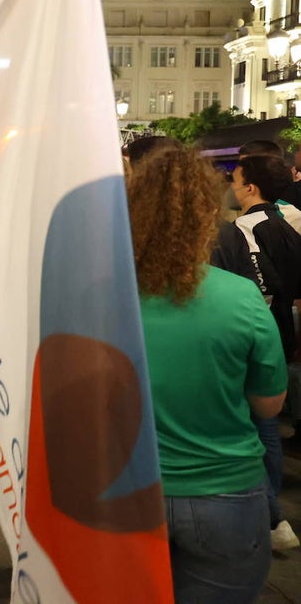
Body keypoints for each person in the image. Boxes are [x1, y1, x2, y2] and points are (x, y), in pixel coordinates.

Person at [127, 143, 285, 603]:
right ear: (207, 216)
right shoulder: (240, 297)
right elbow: (268, 404)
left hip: (126, 491)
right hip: (227, 495)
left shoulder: (102, 297)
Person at [210, 153, 301, 551]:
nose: (232, 185)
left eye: (237, 178)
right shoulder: (293, 218)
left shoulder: (243, 228)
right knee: (268, 425)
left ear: (251, 187)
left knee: (253, 424)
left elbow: (259, 286)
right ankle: (272, 518)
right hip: (280, 330)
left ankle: (269, 518)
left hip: (253, 330)